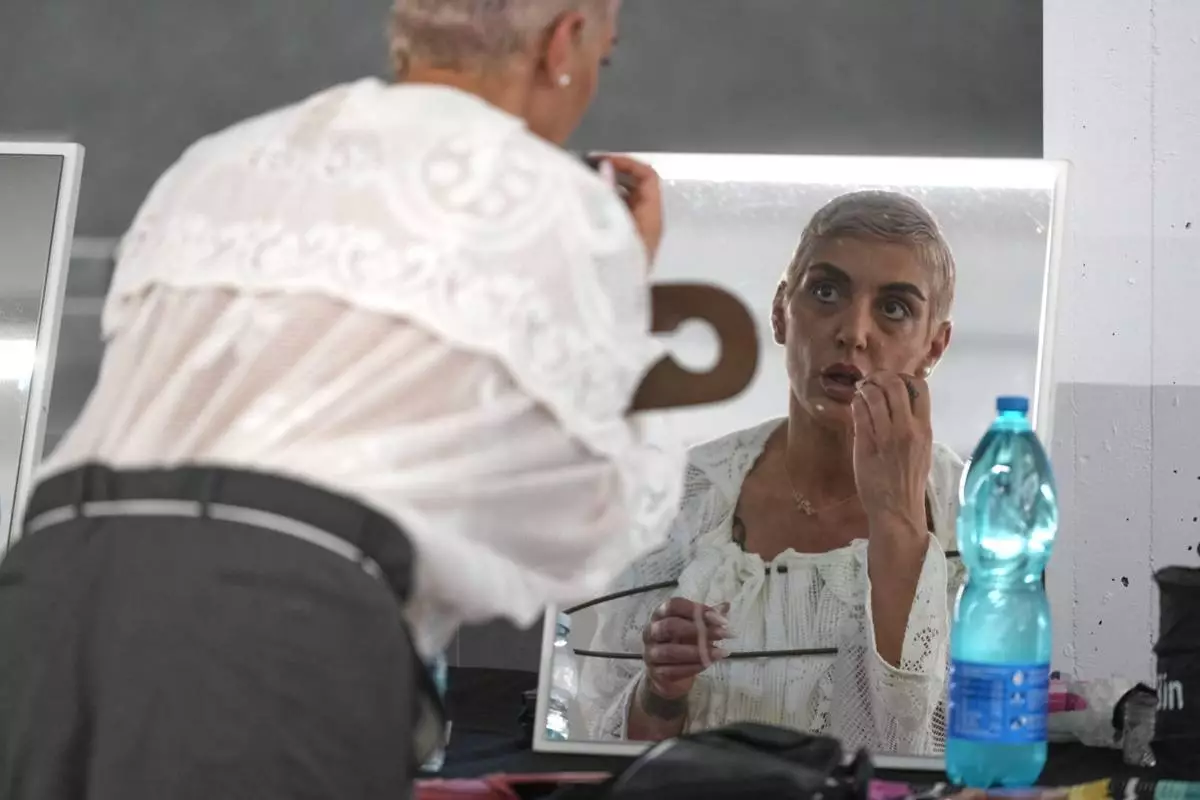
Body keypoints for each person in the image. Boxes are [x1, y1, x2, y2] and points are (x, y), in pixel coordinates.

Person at [0, 2, 686, 798]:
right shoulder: (548, 200)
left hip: (46, 591)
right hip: (270, 624)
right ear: (565, 42)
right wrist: (630, 290)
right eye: (607, 56)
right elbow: (602, 522)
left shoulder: (219, 161)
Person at [577, 190, 965, 756]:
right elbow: (595, 749)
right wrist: (662, 693)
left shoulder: (977, 515)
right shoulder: (681, 497)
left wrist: (898, 519)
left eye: (894, 308)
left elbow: (922, 747)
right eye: (826, 292)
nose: (854, 332)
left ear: (934, 346)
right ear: (782, 311)